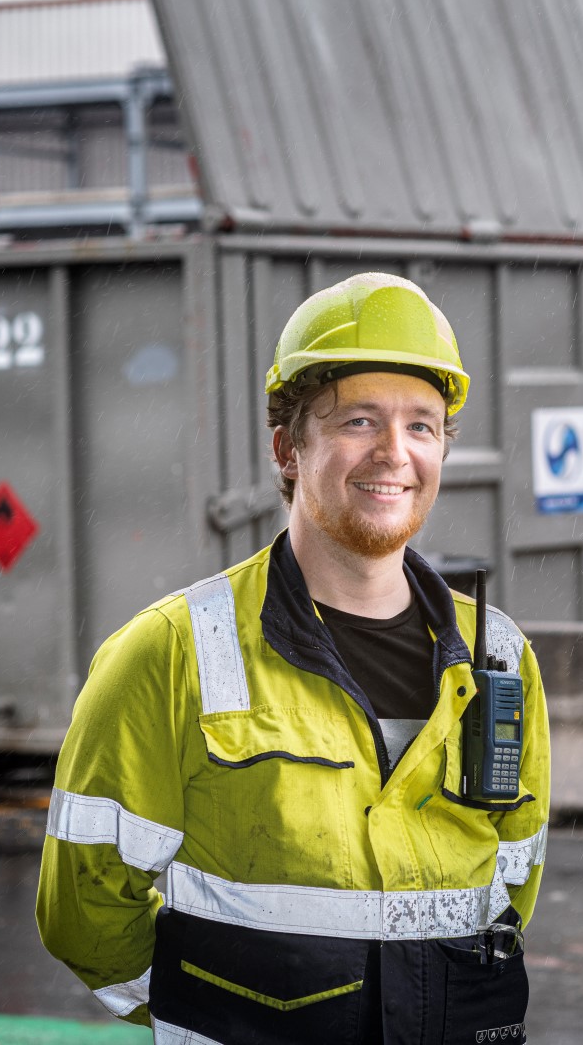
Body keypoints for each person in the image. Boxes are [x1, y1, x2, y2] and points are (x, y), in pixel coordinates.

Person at [37, 273, 549, 1045]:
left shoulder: (501, 657)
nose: (394, 453)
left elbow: (509, 886)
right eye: (359, 421)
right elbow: (83, 906)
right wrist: (210, 1010)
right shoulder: (171, 653)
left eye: (422, 425)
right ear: (288, 446)